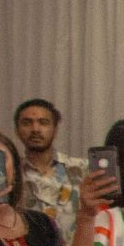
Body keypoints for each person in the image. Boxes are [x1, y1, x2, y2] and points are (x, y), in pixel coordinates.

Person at [12, 99, 83, 235]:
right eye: (27, 123)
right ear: (17, 130)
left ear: (55, 129)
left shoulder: (81, 169)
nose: (35, 129)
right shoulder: (11, 175)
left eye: (43, 122)